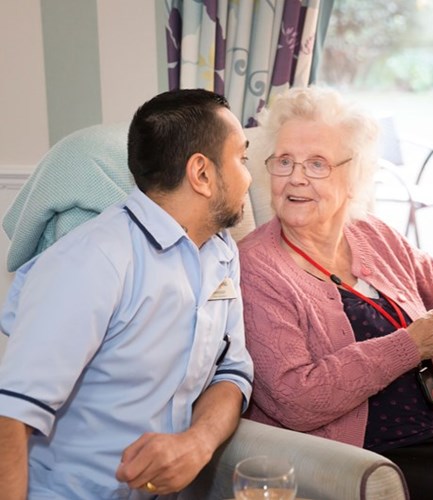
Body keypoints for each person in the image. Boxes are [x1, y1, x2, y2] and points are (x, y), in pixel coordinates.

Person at [238, 86, 433, 499]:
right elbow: (296, 400)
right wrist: (412, 344)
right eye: (284, 161)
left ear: (353, 177)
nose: (296, 177)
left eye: (317, 163)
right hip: (366, 461)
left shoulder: (373, 233)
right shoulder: (256, 268)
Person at [0, 88, 254, 499]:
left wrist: (198, 442)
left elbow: (232, 372)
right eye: (241, 158)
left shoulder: (222, 252)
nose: (249, 175)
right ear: (202, 174)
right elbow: (9, 415)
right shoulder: (94, 260)